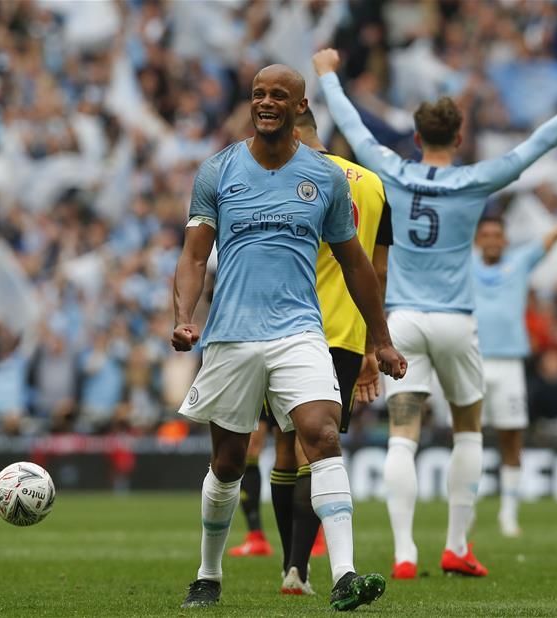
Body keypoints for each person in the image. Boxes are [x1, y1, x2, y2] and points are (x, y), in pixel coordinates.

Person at [313, 48, 557, 579]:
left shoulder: (390, 169)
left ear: (416, 134)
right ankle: (455, 545)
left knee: (403, 433)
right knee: (469, 432)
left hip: (403, 322)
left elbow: (354, 128)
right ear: (458, 136)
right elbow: (539, 143)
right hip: (455, 321)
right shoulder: (475, 179)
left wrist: (329, 77)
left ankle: (404, 553)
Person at [171, 64, 407, 611]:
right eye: (258, 94)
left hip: (301, 330)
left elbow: (357, 266)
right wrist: (185, 316)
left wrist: (382, 340)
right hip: (231, 335)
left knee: (323, 434)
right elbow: (192, 255)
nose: (266, 102)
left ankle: (345, 575)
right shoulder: (217, 171)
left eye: (279, 94)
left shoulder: (324, 179)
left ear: (300, 105)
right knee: (228, 463)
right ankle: (208, 574)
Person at [230, 106, 393, 595]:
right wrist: (371, 342)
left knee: (285, 447)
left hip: (287, 325)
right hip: (344, 332)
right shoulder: (372, 184)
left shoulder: (294, 179)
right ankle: (300, 566)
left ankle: (293, 568)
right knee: (313, 447)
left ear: (297, 135)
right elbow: (376, 273)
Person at [474, 171, 557, 537]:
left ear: (505, 239)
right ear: (477, 240)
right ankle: (467, 512)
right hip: (472, 362)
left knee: (511, 437)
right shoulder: (464, 266)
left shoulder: (518, 263)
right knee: (467, 438)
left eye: (497, 235)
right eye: (486, 235)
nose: (492, 241)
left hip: (511, 364)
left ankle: (508, 512)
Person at [227, 419, 273, 557]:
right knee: (250, 449)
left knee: (295, 449)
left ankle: (314, 537)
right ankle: (256, 536)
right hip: (261, 398)